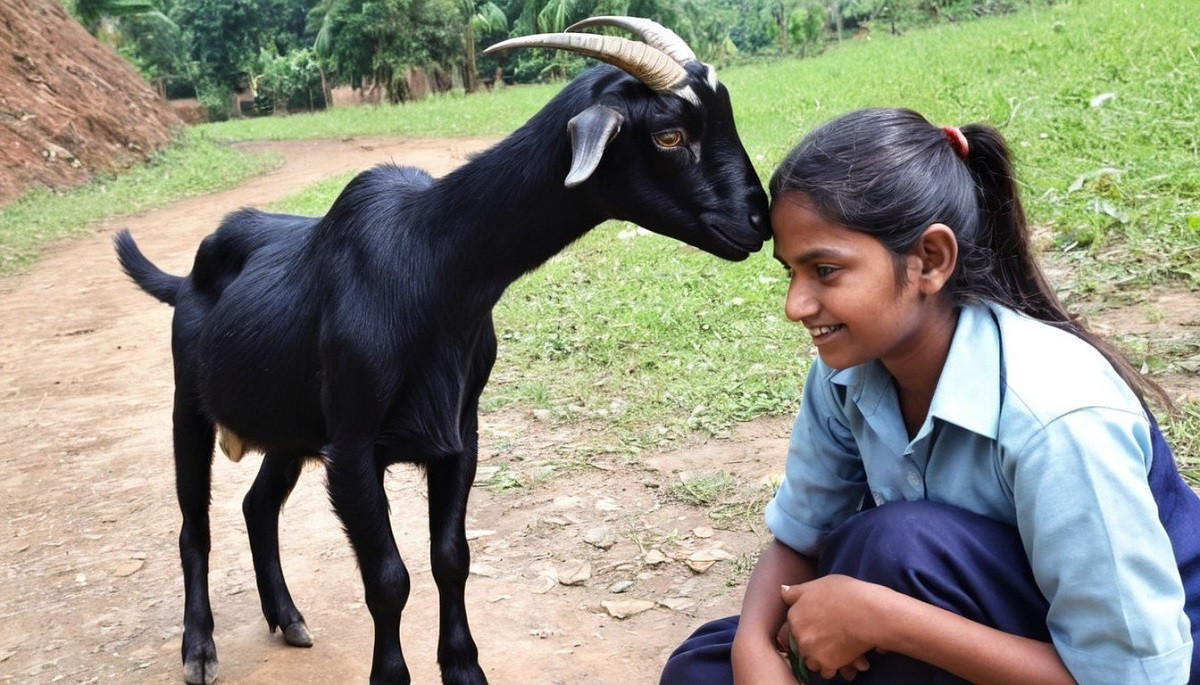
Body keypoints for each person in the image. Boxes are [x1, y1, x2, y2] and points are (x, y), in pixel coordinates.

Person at [659, 107, 1200, 684]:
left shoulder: (1056, 417)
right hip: (974, 614)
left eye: (824, 270)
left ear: (930, 261)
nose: (796, 305)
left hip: (1135, 655)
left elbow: (1136, 676)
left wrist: (885, 620)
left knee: (892, 547)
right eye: (790, 271)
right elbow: (800, 539)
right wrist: (753, 656)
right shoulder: (848, 372)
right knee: (704, 671)